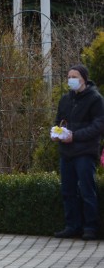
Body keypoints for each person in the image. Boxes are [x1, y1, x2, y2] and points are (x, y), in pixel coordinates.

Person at [52, 64, 104, 239]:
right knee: (68, 190)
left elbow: (98, 126)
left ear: (84, 78)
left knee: (87, 189)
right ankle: (72, 225)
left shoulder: (95, 99)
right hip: (66, 152)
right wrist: (57, 133)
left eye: (74, 77)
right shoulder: (66, 99)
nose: (70, 80)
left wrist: (76, 136)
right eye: (68, 77)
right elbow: (60, 121)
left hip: (85, 152)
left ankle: (90, 227)